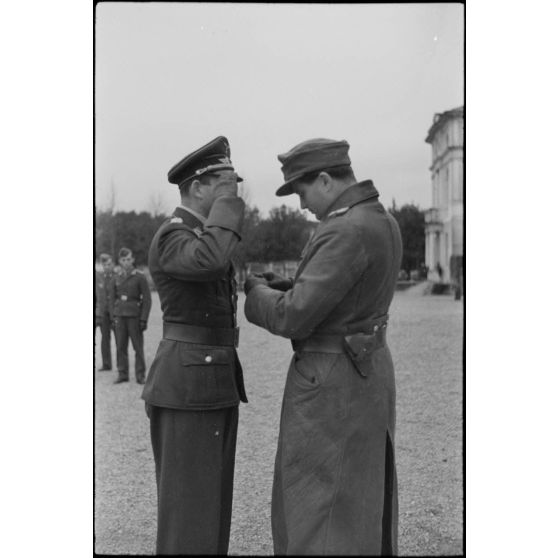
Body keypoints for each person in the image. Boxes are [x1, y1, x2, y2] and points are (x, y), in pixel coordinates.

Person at [244, 138, 403, 555]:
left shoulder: (344, 229)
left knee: (318, 508)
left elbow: (292, 317)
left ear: (327, 180)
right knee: (359, 501)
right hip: (367, 371)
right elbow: (346, 296)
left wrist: (255, 294)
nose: (301, 205)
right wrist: (291, 287)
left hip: (331, 383)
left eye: (302, 191)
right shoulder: (381, 220)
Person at [141, 136, 247, 555]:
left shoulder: (202, 235)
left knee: (212, 505)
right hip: (186, 387)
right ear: (197, 186)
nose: (235, 189)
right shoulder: (173, 236)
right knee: (189, 510)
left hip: (211, 382)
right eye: (225, 181)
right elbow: (210, 262)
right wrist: (227, 209)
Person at [109, 247, 152, 384]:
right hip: (120, 315)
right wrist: (113, 317)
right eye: (123, 260)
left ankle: (140, 375)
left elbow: (147, 299)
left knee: (137, 347)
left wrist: (144, 319)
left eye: (128, 259)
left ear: (133, 259)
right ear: (120, 261)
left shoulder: (139, 276)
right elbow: (111, 299)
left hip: (134, 316)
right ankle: (123, 374)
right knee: (120, 346)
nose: (126, 262)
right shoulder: (116, 276)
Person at [95, 253, 115, 371]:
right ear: (102, 265)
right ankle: (106, 364)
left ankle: (121, 365)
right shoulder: (99, 278)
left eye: (110, 264)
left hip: (115, 313)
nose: (108, 266)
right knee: (104, 339)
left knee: (119, 339)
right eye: (106, 264)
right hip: (103, 313)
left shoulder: (117, 276)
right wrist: (98, 313)